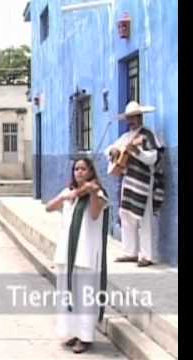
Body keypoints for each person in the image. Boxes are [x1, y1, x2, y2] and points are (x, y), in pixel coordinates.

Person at [46, 157, 109, 354]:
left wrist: (91, 192)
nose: (79, 172)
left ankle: (85, 337)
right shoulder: (69, 193)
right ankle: (70, 333)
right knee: (67, 294)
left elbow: (95, 214)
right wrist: (67, 197)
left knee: (85, 297)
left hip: (86, 254)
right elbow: (49, 207)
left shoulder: (97, 193)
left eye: (83, 169)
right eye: (76, 169)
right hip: (67, 254)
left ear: (91, 172)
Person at [104, 101, 165, 267]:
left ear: (140, 117)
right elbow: (109, 149)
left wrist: (136, 152)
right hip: (128, 180)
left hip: (144, 181)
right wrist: (113, 152)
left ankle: (147, 255)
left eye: (134, 117)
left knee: (144, 218)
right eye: (129, 118)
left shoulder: (147, 135)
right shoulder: (126, 136)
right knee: (126, 215)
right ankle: (130, 252)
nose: (131, 121)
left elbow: (153, 158)